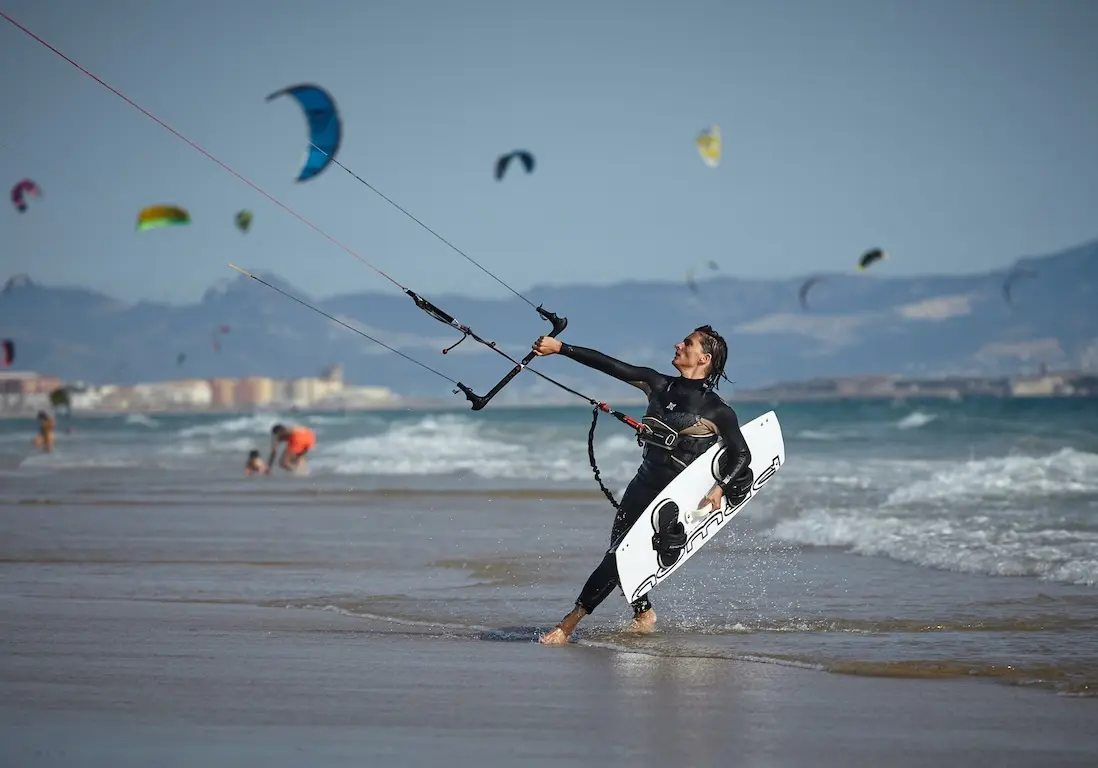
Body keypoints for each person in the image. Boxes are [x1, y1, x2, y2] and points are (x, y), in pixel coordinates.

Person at [531, 325, 753, 645]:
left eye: (687, 343)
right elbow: (609, 364)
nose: (678, 344)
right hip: (642, 483)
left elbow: (741, 454)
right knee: (619, 554)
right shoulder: (657, 384)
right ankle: (644, 613)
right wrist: (560, 348)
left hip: (672, 498)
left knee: (617, 557)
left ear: (704, 358)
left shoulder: (717, 410)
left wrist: (720, 488)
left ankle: (567, 626)